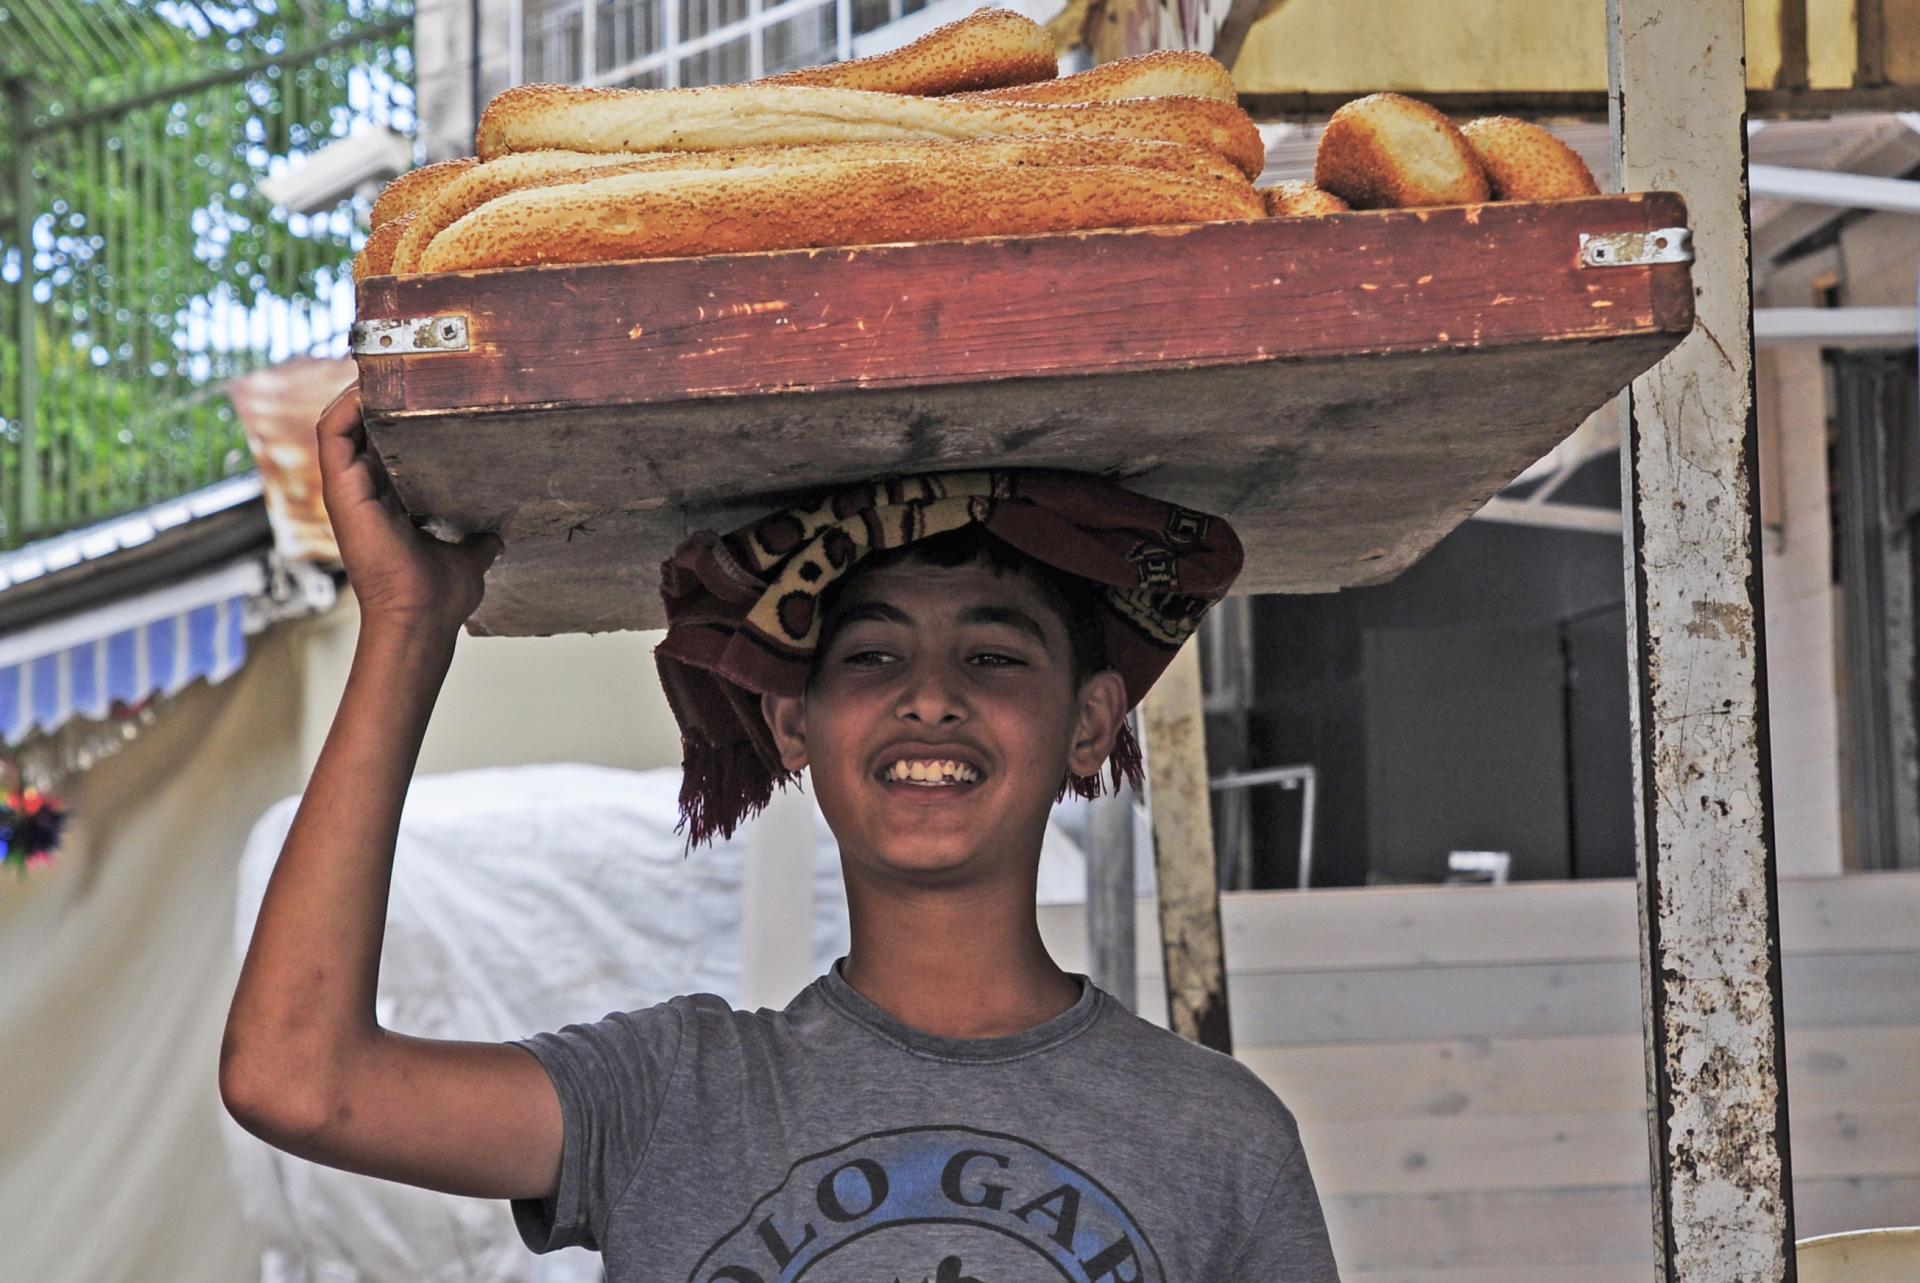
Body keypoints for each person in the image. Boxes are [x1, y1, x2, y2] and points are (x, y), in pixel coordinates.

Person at [221, 383, 1341, 1282]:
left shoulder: (1220, 1138)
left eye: (994, 655)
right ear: (794, 724)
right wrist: (410, 623)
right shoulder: (669, 1096)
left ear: (1091, 722)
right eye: (872, 655)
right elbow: (296, 1077)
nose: (931, 697)